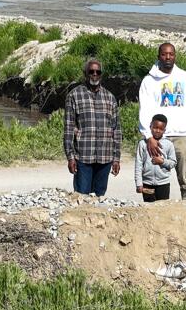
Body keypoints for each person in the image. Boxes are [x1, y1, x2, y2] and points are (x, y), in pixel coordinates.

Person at [139, 42, 186, 200]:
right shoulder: (149, 81)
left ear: (175, 56)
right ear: (158, 56)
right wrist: (148, 137)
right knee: (154, 178)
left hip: (182, 136)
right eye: (164, 54)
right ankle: (153, 210)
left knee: (185, 179)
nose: (167, 57)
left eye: (171, 54)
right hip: (158, 138)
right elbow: (144, 110)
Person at [63, 57, 122, 196]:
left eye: (98, 72)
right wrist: (70, 157)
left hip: (105, 157)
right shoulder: (74, 96)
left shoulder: (110, 97)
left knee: (100, 196)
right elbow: (68, 128)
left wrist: (117, 158)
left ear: (101, 74)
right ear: (85, 73)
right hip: (83, 157)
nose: (95, 75)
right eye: (91, 72)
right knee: (81, 196)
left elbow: (117, 130)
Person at [135, 114, 176, 202]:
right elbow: (138, 165)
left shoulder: (169, 144)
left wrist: (162, 161)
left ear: (164, 130)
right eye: (155, 127)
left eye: (161, 129)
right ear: (150, 127)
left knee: (162, 210)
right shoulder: (142, 143)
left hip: (163, 183)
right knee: (149, 210)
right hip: (147, 183)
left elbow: (173, 163)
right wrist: (139, 184)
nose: (157, 131)